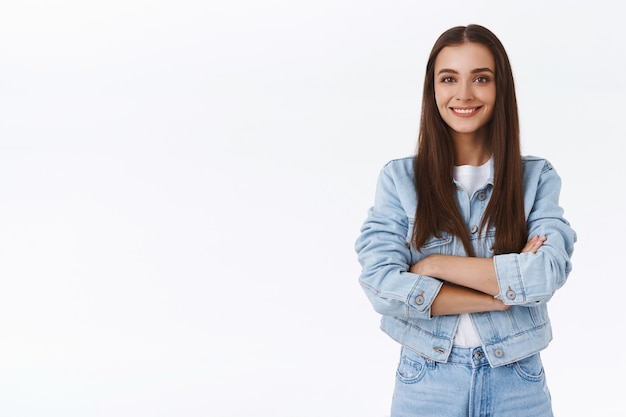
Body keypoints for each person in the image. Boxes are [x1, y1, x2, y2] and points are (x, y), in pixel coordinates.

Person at [354, 24, 576, 417]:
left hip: (518, 383)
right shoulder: (398, 180)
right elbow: (382, 287)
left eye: (481, 78)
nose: (464, 94)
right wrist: (500, 295)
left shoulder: (536, 178)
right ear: (433, 89)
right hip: (427, 381)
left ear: (500, 88)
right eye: (449, 78)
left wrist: (435, 266)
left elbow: (545, 273)